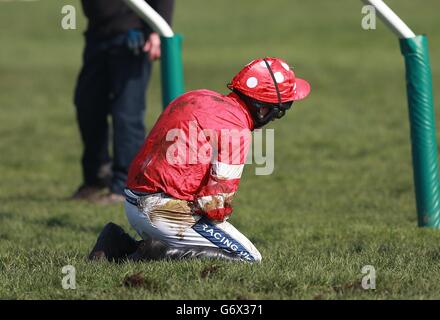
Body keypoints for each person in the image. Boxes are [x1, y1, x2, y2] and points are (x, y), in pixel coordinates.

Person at [88, 57, 311, 262]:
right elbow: (213, 205)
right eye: (280, 110)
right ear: (263, 110)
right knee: (248, 258)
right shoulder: (237, 129)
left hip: (132, 200)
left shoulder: (197, 95)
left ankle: (118, 243)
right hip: (162, 212)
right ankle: (148, 252)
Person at [72, 0, 175, 204]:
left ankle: (123, 187)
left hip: (133, 35)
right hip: (97, 34)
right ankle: (95, 179)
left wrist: (157, 30)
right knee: (87, 105)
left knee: (126, 113)